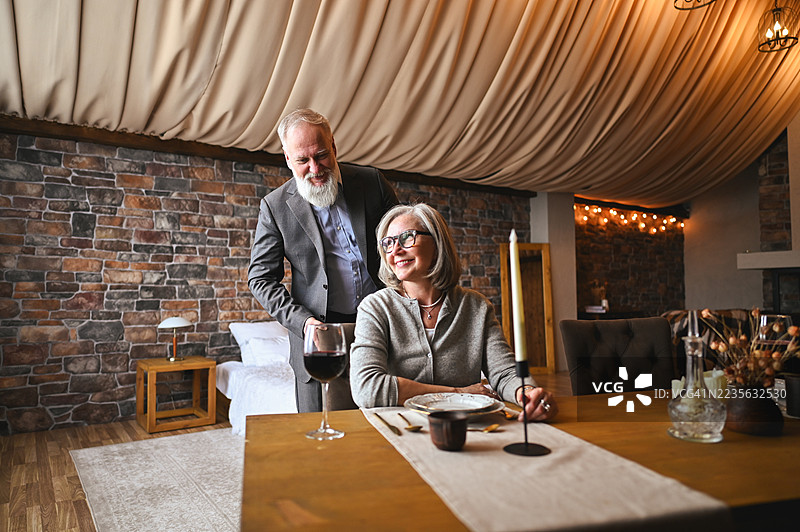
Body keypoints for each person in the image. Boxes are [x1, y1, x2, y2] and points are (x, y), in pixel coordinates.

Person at [248, 108, 399, 412]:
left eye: (321, 155)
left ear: (334, 147)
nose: (315, 169)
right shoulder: (275, 207)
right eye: (303, 160)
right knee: (322, 434)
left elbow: (404, 241)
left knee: (387, 427)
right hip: (319, 338)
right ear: (287, 159)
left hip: (382, 326)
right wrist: (303, 323)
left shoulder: (372, 183)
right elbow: (261, 279)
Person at [350, 203, 558, 422]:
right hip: (398, 427)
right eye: (388, 243)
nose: (395, 250)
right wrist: (457, 393)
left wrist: (528, 393)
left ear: (437, 243)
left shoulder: (477, 306)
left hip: (466, 427)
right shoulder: (375, 308)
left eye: (407, 238)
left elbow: (505, 373)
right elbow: (366, 388)